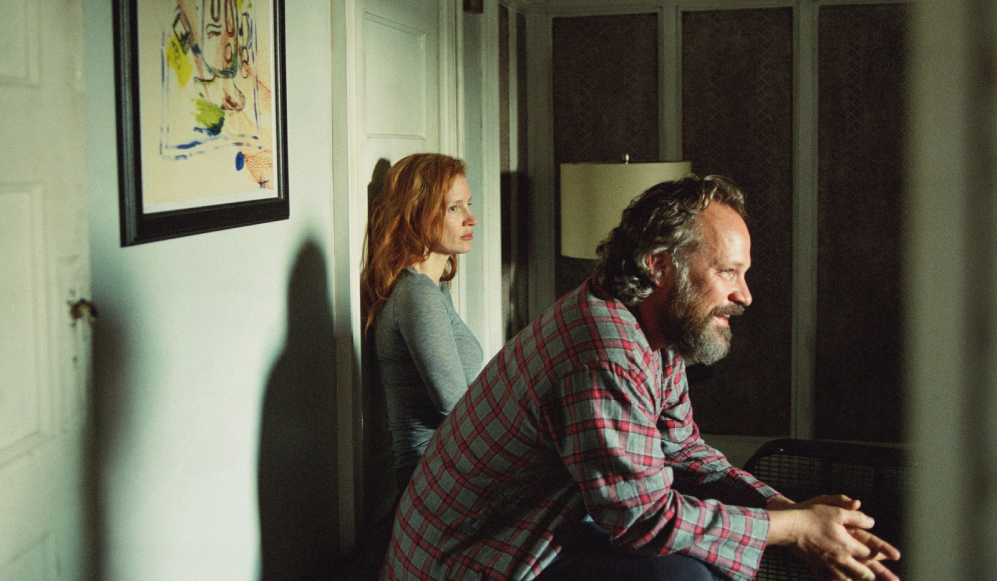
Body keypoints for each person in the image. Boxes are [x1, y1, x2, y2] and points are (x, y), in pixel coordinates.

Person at [381, 175, 901, 581]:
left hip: (529, 534)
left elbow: (684, 450)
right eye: (727, 272)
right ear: (658, 265)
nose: (744, 296)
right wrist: (794, 530)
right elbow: (645, 520)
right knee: (682, 576)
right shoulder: (604, 352)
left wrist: (789, 509)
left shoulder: (649, 327)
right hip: (462, 564)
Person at [361, 153, 485, 492]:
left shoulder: (434, 288)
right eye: (454, 208)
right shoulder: (417, 295)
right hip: (433, 478)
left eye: (468, 205)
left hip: (452, 466)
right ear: (417, 214)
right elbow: (454, 407)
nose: (471, 219)